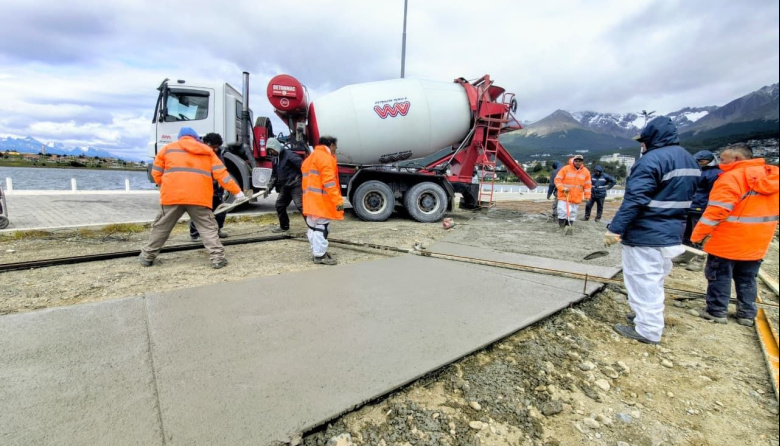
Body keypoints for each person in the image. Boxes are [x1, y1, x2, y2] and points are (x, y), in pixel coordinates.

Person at [604, 116, 699, 344]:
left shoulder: (651, 161)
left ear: (651, 139)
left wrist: (615, 229)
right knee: (655, 278)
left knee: (642, 279)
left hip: (646, 232)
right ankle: (645, 316)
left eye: (643, 141)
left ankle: (648, 329)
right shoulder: (689, 160)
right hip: (671, 231)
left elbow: (635, 199)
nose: (642, 145)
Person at [691, 143, 779, 326]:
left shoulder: (732, 178)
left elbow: (717, 210)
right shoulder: (773, 177)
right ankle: (746, 314)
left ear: (737, 159)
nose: (720, 163)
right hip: (758, 240)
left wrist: (697, 235)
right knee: (747, 277)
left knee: (719, 275)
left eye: (723, 159)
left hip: (727, 239)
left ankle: (717, 311)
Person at [140, 127, 244, 269]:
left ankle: (147, 256)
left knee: (161, 227)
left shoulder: (167, 149)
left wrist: (165, 185)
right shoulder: (207, 152)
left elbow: (156, 173)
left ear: (180, 137)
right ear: (196, 138)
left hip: (172, 196)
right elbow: (222, 175)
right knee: (208, 228)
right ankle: (217, 258)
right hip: (199, 197)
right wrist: (238, 192)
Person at [301, 135, 344, 265]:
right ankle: (320, 256)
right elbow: (329, 182)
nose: (336, 149)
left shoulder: (309, 159)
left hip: (309, 201)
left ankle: (316, 252)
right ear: (331, 145)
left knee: (313, 228)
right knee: (322, 228)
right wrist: (338, 201)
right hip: (321, 202)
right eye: (335, 146)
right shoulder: (326, 158)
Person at [190, 133, 229, 241]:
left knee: (221, 210)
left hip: (217, 188)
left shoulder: (219, 154)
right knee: (199, 212)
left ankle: (217, 230)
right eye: (214, 146)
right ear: (206, 143)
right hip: (202, 187)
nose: (216, 149)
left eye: (218, 147)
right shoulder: (198, 152)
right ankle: (195, 234)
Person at [683, 150, 722, 247]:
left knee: (697, 230)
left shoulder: (715, 174)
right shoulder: (697, 170)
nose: (698, 162)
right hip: (691, 205)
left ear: (708, 160)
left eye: (701, 161)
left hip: (701, 206)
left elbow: (714, 192)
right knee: (685, 230)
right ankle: (686, 247)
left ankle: (697, 248)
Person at [265, 138, 304, 233]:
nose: (271, 152)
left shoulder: (290, 155)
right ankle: (284, 226)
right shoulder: (275, 160)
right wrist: (269, 187)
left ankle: (314, 228)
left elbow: (304, 166)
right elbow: (274, 175)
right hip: (285, 186)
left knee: (301, 206)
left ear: (276, 147)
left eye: (272, 150)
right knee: (279, 205)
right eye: (269, 151)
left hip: (296, 184)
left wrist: (303, 179)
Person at [553, 155, 591, 235]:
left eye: (580, 161)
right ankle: (561, 227)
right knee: (562, 211)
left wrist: (587, 196)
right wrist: (563, 188)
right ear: (573, 161)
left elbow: (587, 185)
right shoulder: (565, 169)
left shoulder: (586, 172)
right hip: (564, 196)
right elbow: (557, 180)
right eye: (576, 161)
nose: (578, 162)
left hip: (576, 196)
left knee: (573, 213)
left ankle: (568, 226)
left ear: (582, 162)